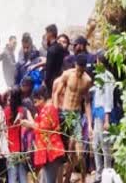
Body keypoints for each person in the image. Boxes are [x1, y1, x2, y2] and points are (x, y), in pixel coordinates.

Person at [52, 54, 93, 183]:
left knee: (79, 153)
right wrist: (54, 113)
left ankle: (79, 179)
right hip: (64, 112)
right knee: (61, 152)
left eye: (83, 70)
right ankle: (60, 180)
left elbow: (86, 102)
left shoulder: (87, 80)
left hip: (76, 115)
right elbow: (57, 93)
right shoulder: (67, 74)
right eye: (79, 69)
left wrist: (90, 125)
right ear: (75, 65)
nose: (80, 72)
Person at [19, 87, 65, 183]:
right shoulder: (44, 110)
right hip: (47, 152)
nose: (35, 105)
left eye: (35, 102)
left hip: (51, 151)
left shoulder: (49, 109)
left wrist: (30, 124)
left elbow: (43, 128)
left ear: (41, 98)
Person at [91, 54, 115, 182]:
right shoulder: (98, 77)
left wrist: (107, 118)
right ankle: (98, 173)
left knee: (105, 145)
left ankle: (107, 171)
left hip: (103, 113)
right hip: (96, 112)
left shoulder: (108, 77)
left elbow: (108, 99)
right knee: (95, 145)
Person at [4, 87, 30, 183]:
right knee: (23, 177)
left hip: (10, 149)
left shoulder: (5, 111)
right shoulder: (23, 110)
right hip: (22, 150)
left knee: (12, 178)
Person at [43, 24, 66, 92]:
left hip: (52, 82)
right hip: (60, 79)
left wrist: (45, 81)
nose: (46, 35)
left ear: (50, 34)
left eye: (46, 33)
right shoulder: (60, 47)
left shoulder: (51, 50)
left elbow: (49, 68)